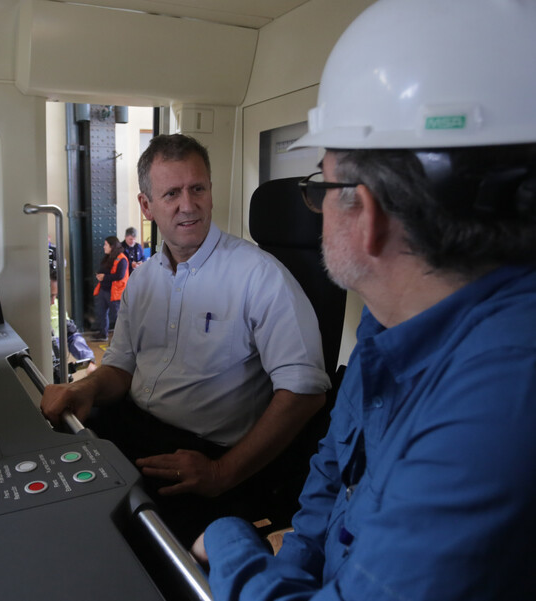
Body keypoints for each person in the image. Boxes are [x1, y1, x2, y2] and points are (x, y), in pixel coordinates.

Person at [193, 1, 536, 598]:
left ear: (367, 213)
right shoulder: (387, 325)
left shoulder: (501, 403)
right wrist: (289, 568)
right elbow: (332, 481)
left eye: (320, 186)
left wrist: (227, 540)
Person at [42, 134, 329, 543]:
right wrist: (85, 389)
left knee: (115, 544)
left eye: (198, 189)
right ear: (147, 206)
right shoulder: (143, 280)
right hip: (132, 426)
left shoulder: (260, 277)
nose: (188, 205)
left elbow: (304, 394)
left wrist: (220, 473)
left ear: (211, 192)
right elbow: (120, 368)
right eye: (172, 193)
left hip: (206, 455)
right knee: (56, 495)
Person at [50, 269, 96, 382]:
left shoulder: (56, 305)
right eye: (50, 296)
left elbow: (72, 335)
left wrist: (88, 361)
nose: (52, 301)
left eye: (55, 296)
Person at [91, 236, 128, 342]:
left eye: (106, 245)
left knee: (118, 316)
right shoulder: (108, 257)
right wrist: (100, 275)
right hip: (104, 290)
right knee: (102, 313)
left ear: (112, 246)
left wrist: (104, 277)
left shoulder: (122, 259)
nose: (104, 247)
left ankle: (121, 339)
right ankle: (103, 334)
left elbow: (120, 276)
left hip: (115, 293)